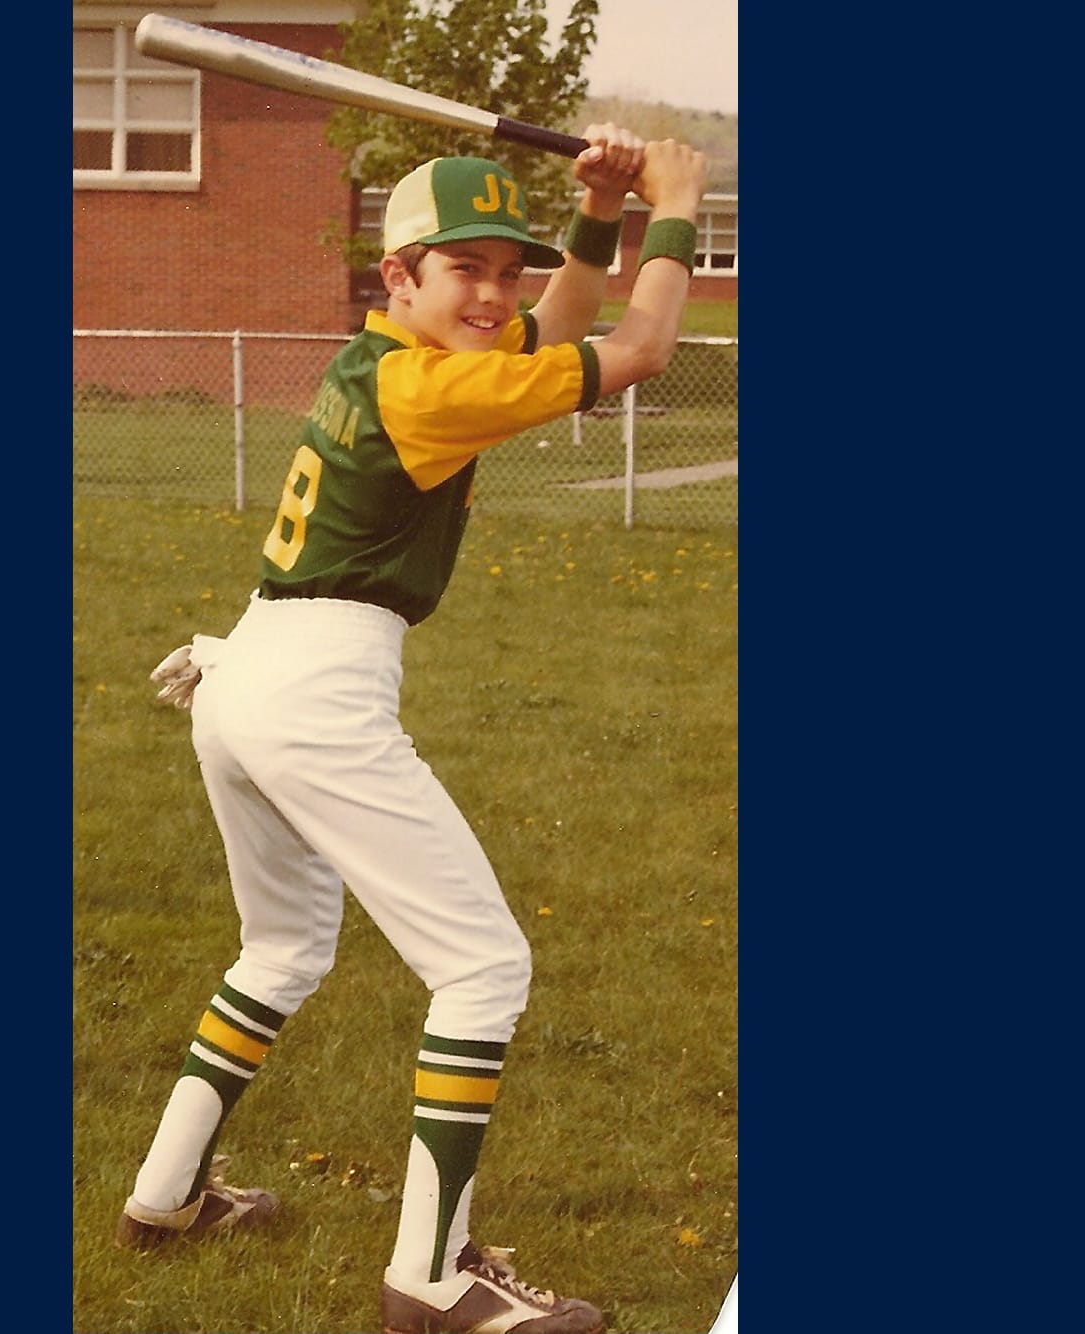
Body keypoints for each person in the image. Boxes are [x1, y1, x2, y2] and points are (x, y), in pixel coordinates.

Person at [117, 125, 710, 1334]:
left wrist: (596, 209)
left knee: (278, 951)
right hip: (315, 688)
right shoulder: (434, 383)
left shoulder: (391, 357)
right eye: (463, 270)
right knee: (484, 964)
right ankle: (431, 1277)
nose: (493, 296)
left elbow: (551, 328)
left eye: (508, 267)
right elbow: (640, 345)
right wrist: (678, 208)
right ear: (399, 278)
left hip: (246, 673)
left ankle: (165, 1195)